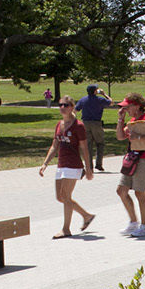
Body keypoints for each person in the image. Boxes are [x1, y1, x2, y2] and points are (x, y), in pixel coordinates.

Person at [38, 96, 96, 237]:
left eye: (66, 105)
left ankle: (66, 229)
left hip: (74, 165)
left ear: (72, 107)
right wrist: (45, 163)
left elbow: (84, 148)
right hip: (61, 164)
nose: (62, 107)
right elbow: (54, 145)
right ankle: (86, 216)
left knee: (66, 196)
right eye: (60, 105)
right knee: (60, 197)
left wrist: (88, 168)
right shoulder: (59, 124)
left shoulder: (79, 126)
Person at [114, 92, 145, 237]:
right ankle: (133, 223)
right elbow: (120, 137)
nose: (125, 109)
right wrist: (121, 120)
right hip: (132, 158)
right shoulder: (132, 120)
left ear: (137, 106)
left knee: (140, 193)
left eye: (128, 107)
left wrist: (138, 137)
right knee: (121, 190)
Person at [76, 84, 112, 172]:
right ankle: (99, 164)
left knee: (88, 145)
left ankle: (89, 167)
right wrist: (104, 94)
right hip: (96, 123)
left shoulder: (83, 99)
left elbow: (76, 109)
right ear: (95, 91)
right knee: (100, 143)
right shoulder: (100, 99)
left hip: (85, 123)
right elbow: (111, 102)